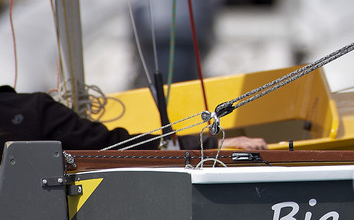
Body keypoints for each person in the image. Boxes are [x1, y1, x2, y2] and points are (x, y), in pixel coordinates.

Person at [0, 87, 267, 151]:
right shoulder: (30, 111)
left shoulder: (29, 111)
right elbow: (111, 148)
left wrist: (208, 145)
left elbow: (110, 147)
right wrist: (210, 146)